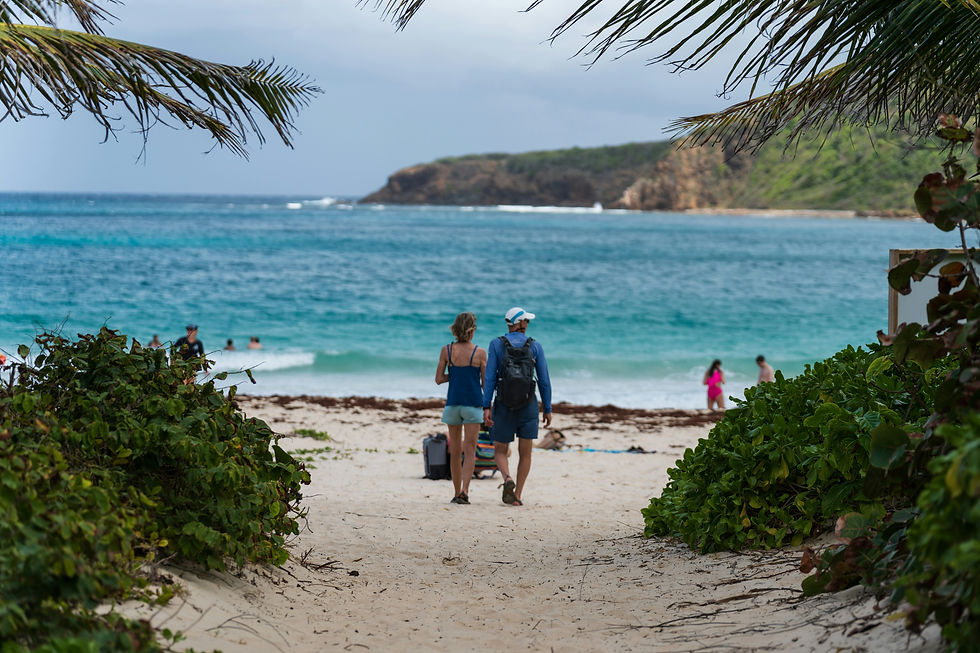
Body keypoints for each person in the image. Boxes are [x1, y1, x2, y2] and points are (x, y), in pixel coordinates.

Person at [483, 307, 552, 506]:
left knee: (500, 449)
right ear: (520, 323)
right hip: (528, 403)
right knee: (526, 452)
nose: (528, 324)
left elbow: (490, 378)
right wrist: (547, 408)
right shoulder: (535, 346)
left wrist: (486, 405)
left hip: (503, 402)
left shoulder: (496, 344)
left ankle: (507, 478)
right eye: (527, 321)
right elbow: (544, 380)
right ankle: (518, 496)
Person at [435, 312, 487, 505]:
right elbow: (485, 384)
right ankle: (465, 490)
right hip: (473, 405)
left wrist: (455, 375)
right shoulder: (480, 353)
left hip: (453, 405)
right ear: (472, 330)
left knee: (455, 452)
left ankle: (457, 492)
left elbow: (439, 379)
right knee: (470, 451)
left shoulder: (446, 350)